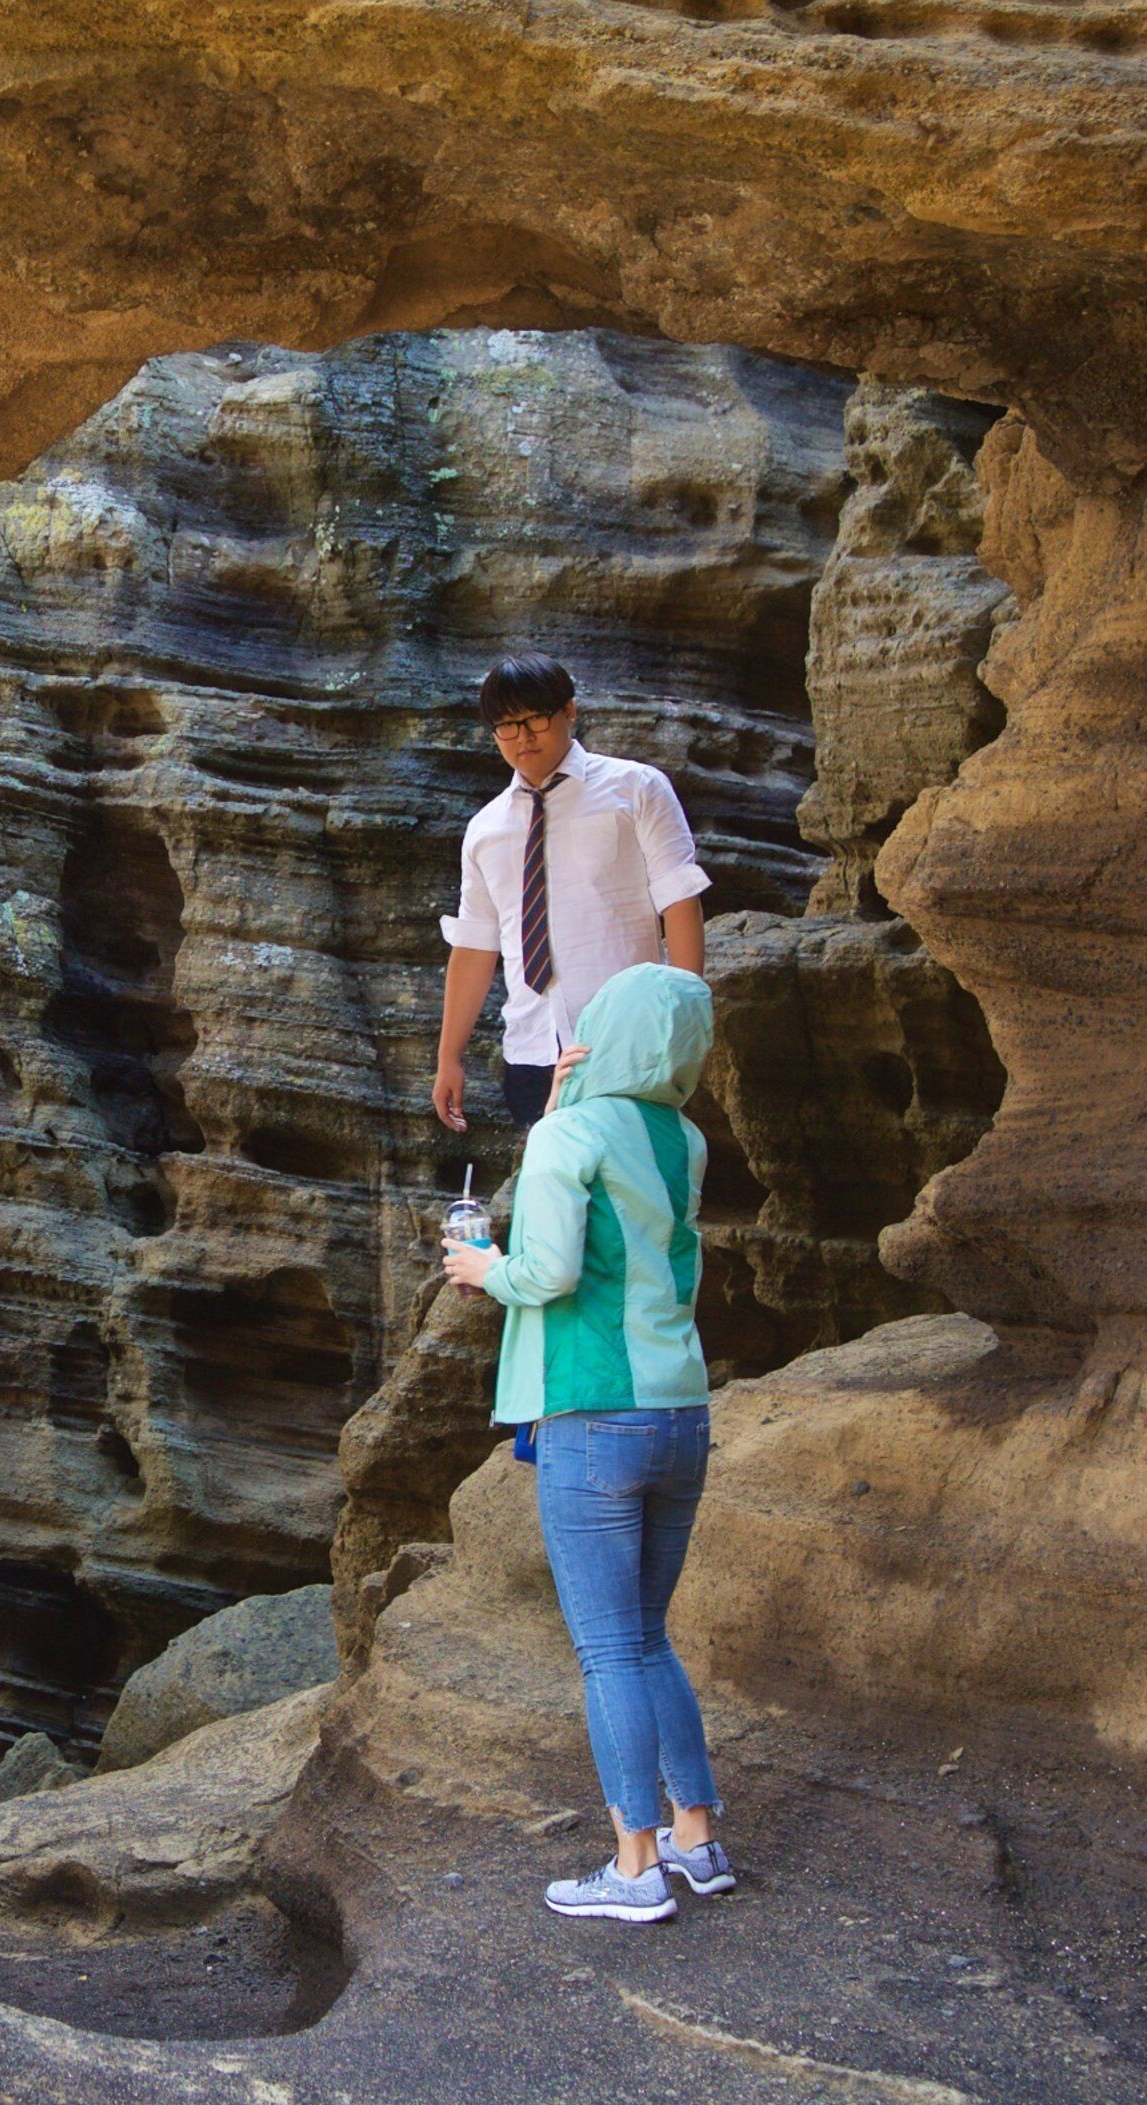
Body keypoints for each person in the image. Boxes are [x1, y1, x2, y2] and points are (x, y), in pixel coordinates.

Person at [442, 964, 734, 1924]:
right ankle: (697, 1840)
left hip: (592, 1412)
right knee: (649, 1639)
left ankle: (634, 1868)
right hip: (680, 1415)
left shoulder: (571, 1131)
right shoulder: (683, 1140)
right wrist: (559, 1117)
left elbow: (552, 1269)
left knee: (608, 1649)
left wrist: (486, 1268)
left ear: (603, 1031)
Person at [431, 655, 710, 1133]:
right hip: (531, 1046)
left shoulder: (636, 788)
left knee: (631, 1189)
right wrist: (448, 1058)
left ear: (570, 712)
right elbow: (475, 947)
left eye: (536, 719)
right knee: (555, 1196)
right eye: (506, 726)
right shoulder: (484, 830)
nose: (523, 738)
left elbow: (680, 902)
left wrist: (685, 1024)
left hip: (627, 1037)